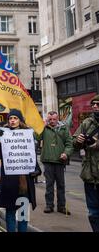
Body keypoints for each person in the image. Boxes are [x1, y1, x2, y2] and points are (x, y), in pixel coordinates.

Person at [0, 109, 37, 232]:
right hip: (9, 181)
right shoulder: (3, 135)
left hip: (24, 182)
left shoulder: (28, 134)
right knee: (10, 213)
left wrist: (36, 170)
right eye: (10, 118)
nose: (12, 120)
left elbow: (31, 155)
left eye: (15, 118)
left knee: (23, 215)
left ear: (20, 120)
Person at [39, 111, 73, 215]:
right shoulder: (44, 128)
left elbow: (69, 143)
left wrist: (66, 153)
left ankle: (61, 206)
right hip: (48, 160)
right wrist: (42, 126)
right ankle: (49, 205)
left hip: (59, 161)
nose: (52, 121)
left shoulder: (64, 128)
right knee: (49, 184)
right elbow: (35, 137)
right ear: (47, 119)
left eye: (54, 119)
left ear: (57, 119)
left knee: (61, 185)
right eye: (50, 119)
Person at [73, 95, 99, 232]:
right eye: (93, 104)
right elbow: (74, 144)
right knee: (93, 212)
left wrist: (97, 144)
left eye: (97, 104)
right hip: (90, 174)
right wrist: (78, 140)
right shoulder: (86, 123)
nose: (94, 106)